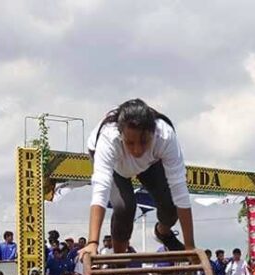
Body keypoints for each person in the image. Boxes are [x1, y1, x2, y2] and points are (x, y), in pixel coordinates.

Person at [78, 99, 194, 264]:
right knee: (124, 207)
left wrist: (190, 246)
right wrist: (92, 243)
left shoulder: (165, 136)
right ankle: (118, 261)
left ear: (154, 133)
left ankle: (163, 233)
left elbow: (180, 190)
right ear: (121, 135)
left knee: (170, 204)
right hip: (117, 167)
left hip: (149, 164)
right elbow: (100, 191)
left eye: (144, 141)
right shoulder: (108, 138)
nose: (137, 149)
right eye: (130, 143)